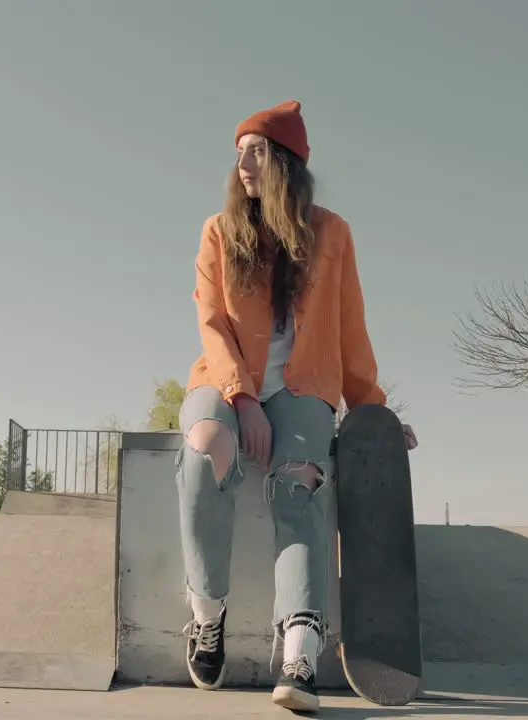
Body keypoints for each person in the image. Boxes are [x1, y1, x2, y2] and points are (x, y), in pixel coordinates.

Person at [175, 100, 418, 713]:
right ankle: (207, 614)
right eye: (238, 153)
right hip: (226, 379)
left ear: (286, 162)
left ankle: (299, 651)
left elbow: (350, 327)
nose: (242, 163)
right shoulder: (218, 231)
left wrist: (371, 417)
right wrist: (242, 399)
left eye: (255, 151)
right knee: (208, 448)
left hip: (306, 388)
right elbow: (211, 323)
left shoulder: (332, 233)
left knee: (298, 485)